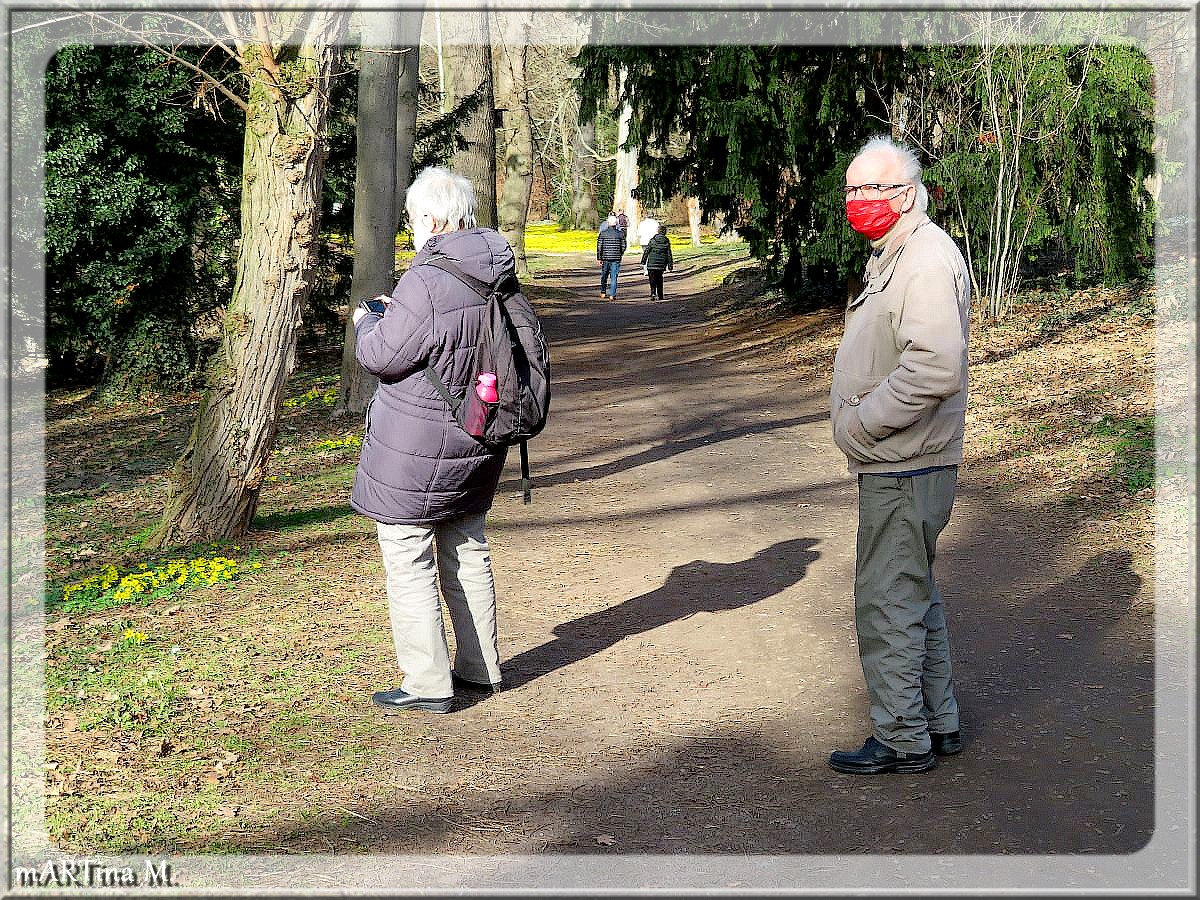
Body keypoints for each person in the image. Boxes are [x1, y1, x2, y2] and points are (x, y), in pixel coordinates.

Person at [827, 135, 971, 775]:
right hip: (905, 461)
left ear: (906, 193)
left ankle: (902, 738)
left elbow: (934, 365)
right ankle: (936, 724)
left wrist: (862, 423)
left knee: (887, 601)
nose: (858, 200)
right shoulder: (900, 253)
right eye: (852, 189)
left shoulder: (922, 261)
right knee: (914, 597)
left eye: (872, 188)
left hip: (904, 462)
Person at [350, 166, 509, 714]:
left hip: (417, 449)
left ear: (432, 219)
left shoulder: (426, 277)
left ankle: (426, 683)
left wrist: (366, 323)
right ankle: (480, 667)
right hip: (480, 436)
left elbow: (382, 355)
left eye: (414, 219)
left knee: (408, 558)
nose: (412, 229)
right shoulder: (497, 268)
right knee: (467, 546)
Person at [596, 213, 626, 300]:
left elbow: (599, 246)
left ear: (608, 223)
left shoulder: (603, 233)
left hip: (605, 258)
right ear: (616, 223)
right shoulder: (620, 234)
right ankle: (612, 294)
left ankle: (603, 292)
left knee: (604, 275)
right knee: (614, 277)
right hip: (616, 258)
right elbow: (624, 246)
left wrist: (599, 257)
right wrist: (620, 253)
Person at [640, 223, 674, 301]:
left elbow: (646, 251)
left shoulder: (652, 240)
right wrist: (670, 265)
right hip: (661, 265)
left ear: (658, 231)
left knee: (652, 280)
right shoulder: (666, 241)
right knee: (659, 279)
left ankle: (653, 293)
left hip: (651, 264)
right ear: (665, 232)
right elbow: (669, 254)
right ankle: (660, 295)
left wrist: (643, 261)